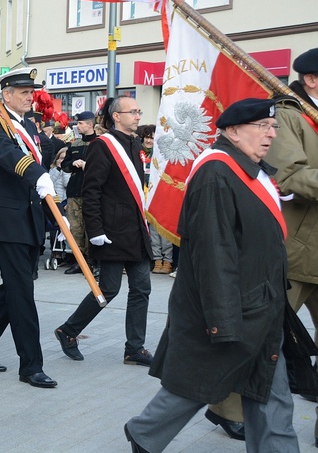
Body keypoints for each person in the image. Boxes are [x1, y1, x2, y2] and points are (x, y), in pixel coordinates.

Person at [125, 98, 301, 452]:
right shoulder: (216, 173)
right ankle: (145, 434)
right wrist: (223, 322)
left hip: (262, 305)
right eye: (262, 127)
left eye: (273, 128)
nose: (271, 134)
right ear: (233, 132)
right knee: (195, 386)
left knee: (271, 394)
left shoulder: (252, 169)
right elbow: (212, 253)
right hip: (232, 310)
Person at [0, 68, 58, 389]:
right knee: (22, 293)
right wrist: (37, 174)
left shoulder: (28, 124)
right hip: (6, 220)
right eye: (22, 92)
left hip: (28, 218)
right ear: (6, 95)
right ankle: (31, 365)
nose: (30, 96)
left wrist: (54, 210)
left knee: (13, 287)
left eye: (31, 91)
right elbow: (6, 154)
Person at [54, 96, 153, 366]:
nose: (137, 116)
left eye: (138, 111)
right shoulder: (103, 145)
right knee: (108, 289)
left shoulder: (133, 143)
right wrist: (95, 229)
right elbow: (92, 190)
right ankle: (69, 331)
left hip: (135, 229)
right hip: (111, 230)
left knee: (142, 288)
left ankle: (135, 348)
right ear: (116, 116)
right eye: (132, 112)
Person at [265, 48, 318, 443]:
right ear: (312, 80)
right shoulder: (289, 114)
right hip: (299, 250)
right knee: (266, 338)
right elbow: (291, 175)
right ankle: (227, 407)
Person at [60, 110, 99, 276]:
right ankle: (79, 262)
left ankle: (94, 263)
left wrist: (88, 165)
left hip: (93, 192)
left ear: (90, 124)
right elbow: (64, 165)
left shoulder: (100, 143)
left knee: (92, 229)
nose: (77, 126)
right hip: (75, 191)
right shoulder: (74, 144)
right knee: (75, 229)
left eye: (81, 123)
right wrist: (72, 163)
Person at [138, 125, 173, 275]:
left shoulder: (162, 154)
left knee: (164, 231)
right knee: (152, 232)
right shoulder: (138, 153)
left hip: (162, 196)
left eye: (152, 138)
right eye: (146, 137)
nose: (148, 140)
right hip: (145, 197)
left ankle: (168, 261)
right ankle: (157, 260)